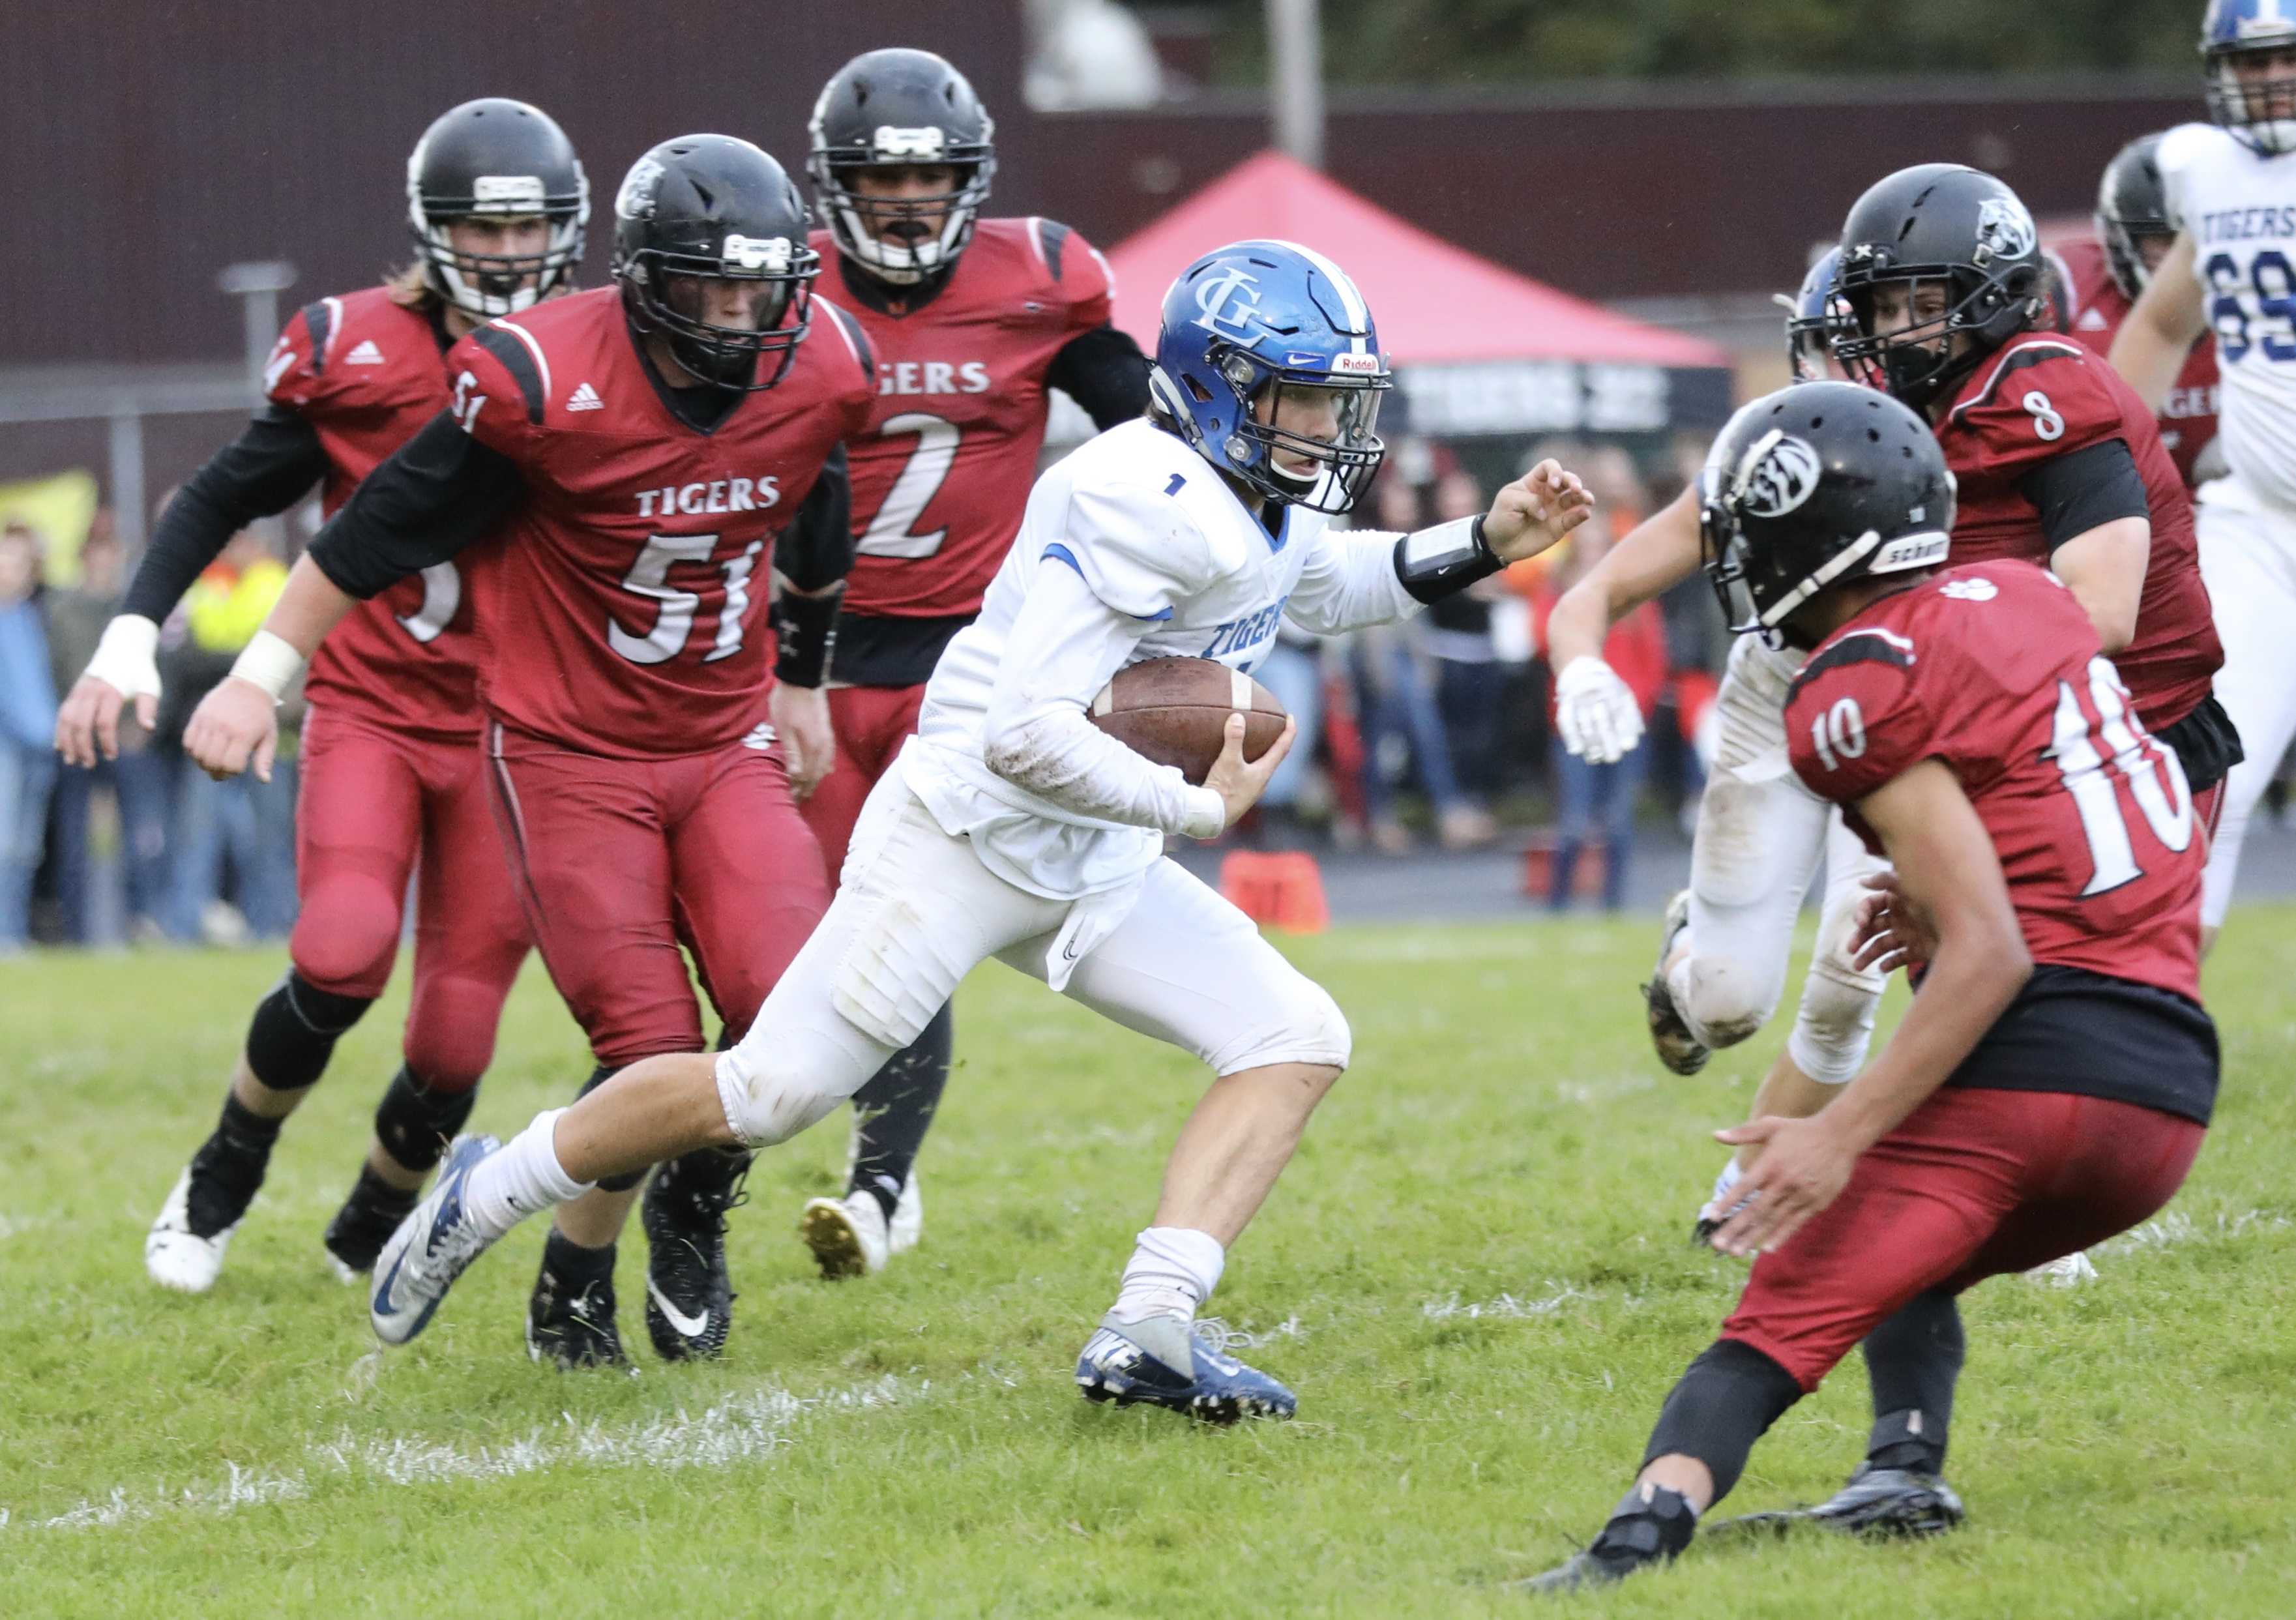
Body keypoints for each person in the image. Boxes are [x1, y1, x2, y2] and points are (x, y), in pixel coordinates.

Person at [361, 239, 1594, 1419]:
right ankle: (496, 1181)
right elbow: (1024, 732)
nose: (1330, 428)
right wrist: (1191, 804)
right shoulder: (1136, 494)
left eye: (1336, 399)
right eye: (1306, 400)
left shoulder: (1245, 491)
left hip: (1089, 857)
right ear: (1225, 390)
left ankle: (1149, 1327)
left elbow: (1317, 583)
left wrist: (1485, 544)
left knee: (1294, 1033)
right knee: (768, 1093)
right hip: (967, 837)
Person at [181, 134, 874, 1369]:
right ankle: (568, 1276)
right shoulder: (545, 379)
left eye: (759, 287)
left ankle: (693, 1205)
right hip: (569, 755)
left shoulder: (818, 369)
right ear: (644, 279)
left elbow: (813, 502)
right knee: (651, 1046)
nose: (738, 314)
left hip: (720, 740)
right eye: (708, 287)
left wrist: (806, 683)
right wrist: (258, 674)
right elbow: (373, 531)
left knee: (798, 1021)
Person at [1525, 382, 2216, 1591]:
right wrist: (1947, 903)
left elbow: (1996, 954)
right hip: (2165, 1093)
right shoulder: (2025, 596)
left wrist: (1836, 1132)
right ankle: (1902, 1471)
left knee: (1771, 1316)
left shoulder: (1846, 691)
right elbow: (2098, 847)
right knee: (1914, 1256)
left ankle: (1623, 1552)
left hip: (2032, 1072)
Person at [56, 98, 576, 1291]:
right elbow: (220, 492)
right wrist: (131, 636)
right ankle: (221, 1174)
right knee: (340, 953)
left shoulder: (597, 352)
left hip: (519, 732)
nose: (504, 253)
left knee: (455, 1038)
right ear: (432, 230)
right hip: (376, 705)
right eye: (479, 230)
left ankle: (369, 1226)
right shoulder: (357, 348)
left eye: (527, 228)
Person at [791, 46, 1150, 1279]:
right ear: (830, 186)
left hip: (969, 667)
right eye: (879, 183)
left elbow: (1151, 439)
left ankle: (882, 1186)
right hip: (807, 669)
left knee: (912, 915)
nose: (905, 203)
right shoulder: (775, 289)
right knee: (798, 931)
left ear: (974, 174)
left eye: (933, 177)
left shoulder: (1039, 279)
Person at [2111, 0, 2296, 952]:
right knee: (2200, 777)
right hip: (2261, 523)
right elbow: (2160, 321)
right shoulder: (2205, 170)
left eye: (2288, 58)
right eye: (2251, 61)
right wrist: (2100, 458)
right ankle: (2152, 1021)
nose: (2270, 79)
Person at [2063, 134, 2221, 490]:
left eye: (2194, 238)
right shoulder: (2065, 292)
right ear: (2121, 240)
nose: (2185, 258)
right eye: (2166, 242)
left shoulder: (2263, 298)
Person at [42, 521, 173, 942]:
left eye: (111, 552)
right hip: (78, 735)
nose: (104, 562)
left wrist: (144, 725)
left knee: (143, 834)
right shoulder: (61, 611)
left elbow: (161, 668)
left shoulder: (136, 610)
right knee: (74, 840)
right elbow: (52, 673)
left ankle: (144, 921)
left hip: (129, 737)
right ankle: (77, 930)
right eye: (97, 552)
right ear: (84, 558)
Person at [0, 525, 57, 952]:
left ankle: (14, 932)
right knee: (4, 846)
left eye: (22, 561)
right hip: (8, 748)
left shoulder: (29, 616)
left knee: (25, 849)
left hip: (39, 750)